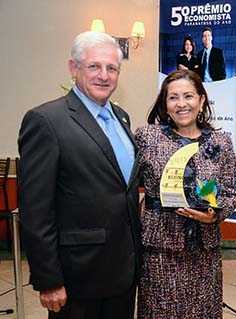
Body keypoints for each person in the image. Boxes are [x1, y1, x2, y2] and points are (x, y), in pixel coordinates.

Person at [18, 31, 141, 319]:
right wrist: (49, 279)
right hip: (78, 275)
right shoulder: (47, 121)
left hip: (123, 270)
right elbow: (36, 210)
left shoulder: (121, 117)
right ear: (74, 68)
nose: (104, 75)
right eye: (94, 66)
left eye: (112, 68)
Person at [135, 69, 236, 318]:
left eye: (189, 96)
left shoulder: (221, 143)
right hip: (159, 252)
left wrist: (213, 215)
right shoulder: (147, 137)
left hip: (204, 253)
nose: (182, 104)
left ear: (202, 100)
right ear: (165, 104)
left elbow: (229, 192)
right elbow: (124, 185)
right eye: (173, 97)